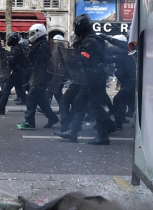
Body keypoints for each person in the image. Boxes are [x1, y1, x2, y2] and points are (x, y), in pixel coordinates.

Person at [58, 14, 114, 144]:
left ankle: (103, 136)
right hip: (90, 76)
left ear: (81, 27)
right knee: (79, 102)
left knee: (93, 105)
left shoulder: (90, 41)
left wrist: (71, 57)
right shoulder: (88, 39)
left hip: (94, 76)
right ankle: (73, 132)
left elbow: (83, 59)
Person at [16, 24, 59, 130]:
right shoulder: (40, 43)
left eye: (32, 33)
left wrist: (30, 53)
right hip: (40, 75)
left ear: (38, 32)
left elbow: (40, 61)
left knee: (31, 98)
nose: (31, 35)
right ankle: (53, 118)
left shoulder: (42, 45)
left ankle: (29, 123)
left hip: (41, 76)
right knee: (40, 99)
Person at [0, 32, 26, 115]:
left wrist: (7, 60)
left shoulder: (16, 49)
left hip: (17, 72)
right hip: (19, 71)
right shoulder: (18, 47)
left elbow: (11, 60)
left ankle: (1, 109)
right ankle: (33, 107)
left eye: (9, 38)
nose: (8, 40)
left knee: (6, 89)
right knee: (21, 90)